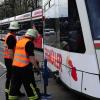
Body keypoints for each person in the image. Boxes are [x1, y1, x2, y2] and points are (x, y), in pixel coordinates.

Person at [9, 29, 41, 100]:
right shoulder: (29, 43)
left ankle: (11, 98)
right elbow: (31, 57)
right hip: (25, 68)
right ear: (33, 37)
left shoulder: (20, 41)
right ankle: (34, 98)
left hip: (15, 67)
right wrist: (37, 68)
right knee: (29, 85)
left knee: (14, 85)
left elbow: (22, 54)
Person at [4, 21, 25, 100]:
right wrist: (14, 62)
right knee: (11, 78)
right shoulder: (11, 37)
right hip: (10, 60)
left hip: (8, 59)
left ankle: (16, 92)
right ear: (16, 29)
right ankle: (8, 95)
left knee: (15, 77)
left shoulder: (9, 35)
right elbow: (10, 50)